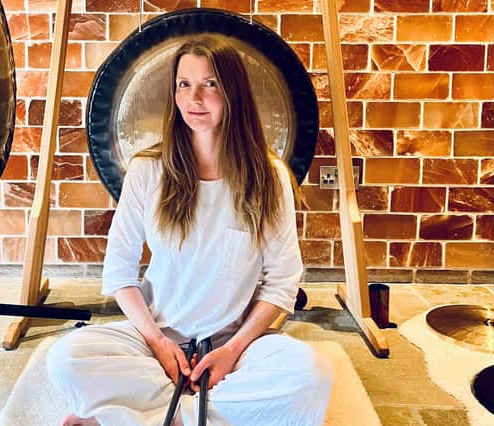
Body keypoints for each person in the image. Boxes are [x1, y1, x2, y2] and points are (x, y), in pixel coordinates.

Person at [47, 36, 333, 426]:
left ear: (233, 92)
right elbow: (119, 272)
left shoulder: (270, 177)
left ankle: (149, 417)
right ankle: (197, 413)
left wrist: (232, 350)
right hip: (156, 339)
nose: (194, 97)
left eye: (210, 84)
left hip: (236, 346)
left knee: (310, 374)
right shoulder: (147, 170)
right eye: (184, 84)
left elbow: (282, 282)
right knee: (67, 357)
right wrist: (158, 344)